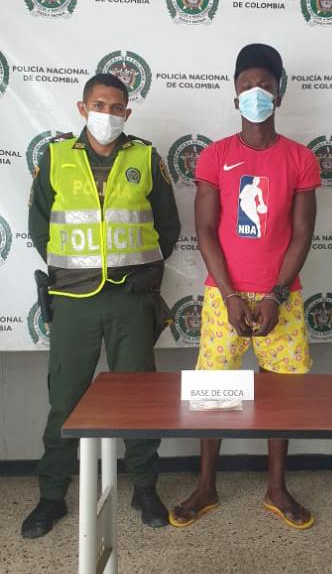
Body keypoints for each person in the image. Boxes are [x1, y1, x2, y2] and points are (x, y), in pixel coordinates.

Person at [22, 73, 181, 539]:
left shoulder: (146, 157)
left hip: (131, 298)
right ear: (82, 108)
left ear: (127, 113)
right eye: (98, 105)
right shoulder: (55, 157)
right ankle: (52, 495)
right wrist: (75, 268)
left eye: (116, 108)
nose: (106, 115)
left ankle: (145, 488)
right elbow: (40, 227)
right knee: (65, 400)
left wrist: (142, 271)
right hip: (74, 300)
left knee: (138, 398)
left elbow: (167, 226)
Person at [169, 43, 320, 530]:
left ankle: (277, 488)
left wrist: (276, 294)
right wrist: (231, 296)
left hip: (283, 296)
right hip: (223, 295)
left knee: (282, 395)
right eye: (247, 85)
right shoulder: (216, 156)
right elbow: (205, 230)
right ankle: (205, 486)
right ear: (235, 96)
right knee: (214, 390)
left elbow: (302, 234)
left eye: (265, 85)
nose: (256, 93)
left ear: (280, 93)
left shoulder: (300, 158)